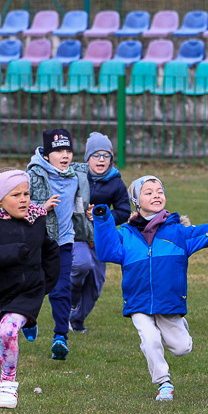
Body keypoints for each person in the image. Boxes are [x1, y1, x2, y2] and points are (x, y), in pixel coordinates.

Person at [92, 175, 208, 401]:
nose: (156, 195)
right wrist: (102, 218)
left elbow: (204, 233)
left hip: (169, 301)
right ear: (136, 201)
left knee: (181, 348)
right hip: (138, 301)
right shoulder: (126, 235)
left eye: (159, 191)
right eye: (148, 192)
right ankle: (163, 383)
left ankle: (180, 327)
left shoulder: (178, 232)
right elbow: (107, 250)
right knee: (150, 339)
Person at [0, 169, 60, 414]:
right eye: (15, 194)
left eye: (26, 193)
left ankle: (9, 382)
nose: (23, 199)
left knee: (9, 331)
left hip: (25, 294)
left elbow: (50, 251)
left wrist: (45, 285)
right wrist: (12, 252)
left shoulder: (36, 222)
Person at [27, 128, 90, 360]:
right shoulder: (33, 175)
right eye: (58, 151)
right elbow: (20, 207)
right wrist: (41, 208)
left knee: (61, 289)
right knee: (33, 286)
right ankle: (28, 320)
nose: (65, 155)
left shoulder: (77, 175)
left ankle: (60, 337)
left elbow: (99, 180)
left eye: (68, 150)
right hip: (37, 242)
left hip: (64, 242)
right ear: (46, 155)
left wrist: (89, 212)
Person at [68, 132, 131, 333]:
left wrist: (101, 215)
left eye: (106, 155)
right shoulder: (75, 176)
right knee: (81, 263)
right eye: (96, 155)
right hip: (77, 234)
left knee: (96, 285)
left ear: (111, 158)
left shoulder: (116, 182)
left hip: (100, 238)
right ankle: (72, 298)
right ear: (87, 158)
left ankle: (77, 321)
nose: (101, 159)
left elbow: (124, 212)